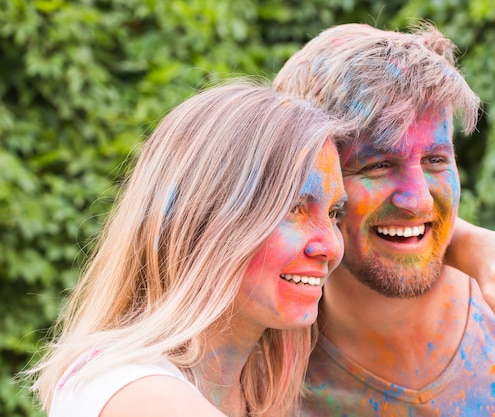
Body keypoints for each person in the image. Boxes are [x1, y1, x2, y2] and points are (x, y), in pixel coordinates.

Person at [273, 22, 495, 416]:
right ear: (311, 181)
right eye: (377, 164)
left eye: (435, 160)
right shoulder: (271, 364)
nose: (418, 200)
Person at [27, 82, 351, 417]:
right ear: (202, 218)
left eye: (333, 213)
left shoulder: (250, 391)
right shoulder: (134, 394)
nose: (330, 246)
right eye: (294, 208)